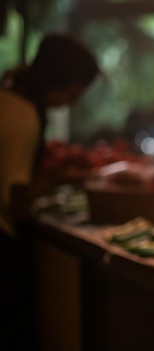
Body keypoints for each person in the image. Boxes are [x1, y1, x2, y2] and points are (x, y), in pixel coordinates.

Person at [0, 32, 100, 350]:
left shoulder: (7, 99)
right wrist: (59, 180)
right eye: (72, 95)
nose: (69, 103)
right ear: (61, 81)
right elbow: (15, 203)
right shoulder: (24, 117)